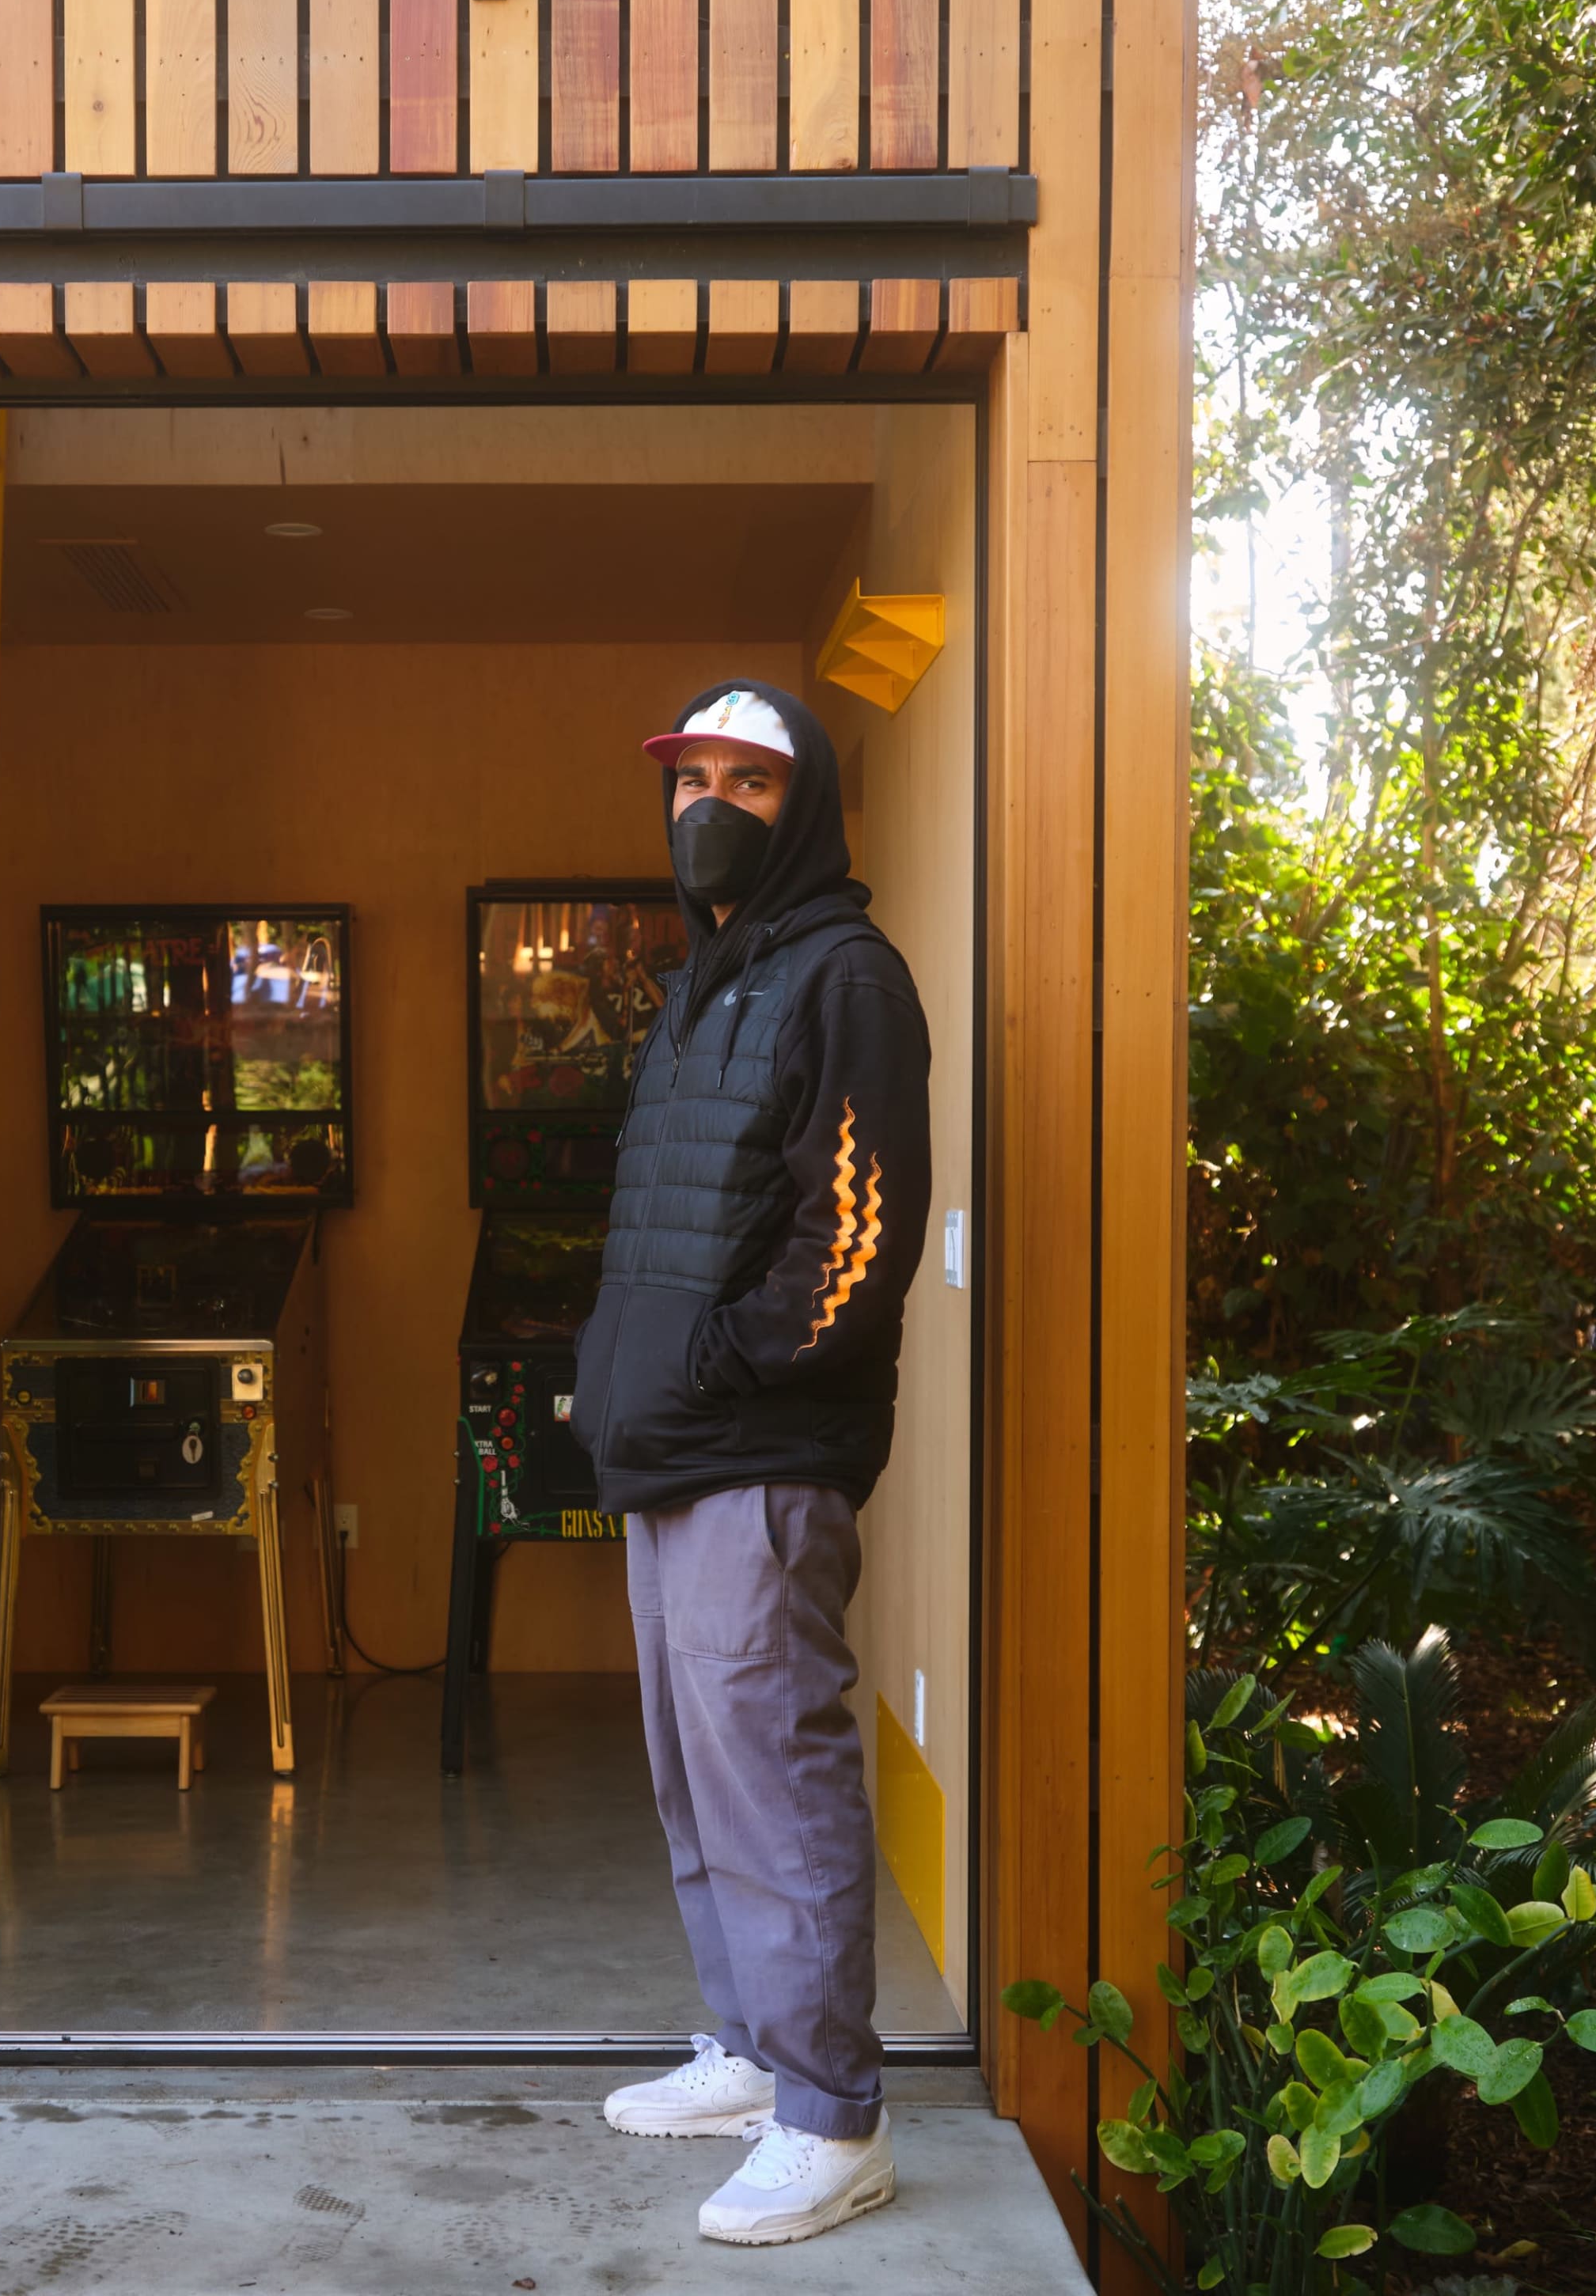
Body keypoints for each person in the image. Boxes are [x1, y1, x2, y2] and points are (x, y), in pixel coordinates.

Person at [570, 683, 931, 2249]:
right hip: (676, 1453)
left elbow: (853, 1242)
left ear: (811, 808)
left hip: (759, 1459)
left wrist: (715, 1374)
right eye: (690, 779)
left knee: (776, 1783)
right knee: (697, 1775)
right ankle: (750, 2048)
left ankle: (831, 2117)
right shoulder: (712, 979)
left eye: (749, 784)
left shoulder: (844, 978)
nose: (708, 805)